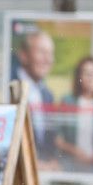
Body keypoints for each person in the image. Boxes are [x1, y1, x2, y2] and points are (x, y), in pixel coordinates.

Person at [53, 56, 93, 174]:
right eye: (86, 73)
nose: (91, 77)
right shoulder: (67, 101)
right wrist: (75, 151)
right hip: (70, 166)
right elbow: (57, 138)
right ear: (79, 77)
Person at [13, 30, 56, 161]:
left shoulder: (47, 94)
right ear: (24, 55)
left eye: (50, 54)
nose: (48, 60)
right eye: (42, 52)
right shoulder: (10, 86)